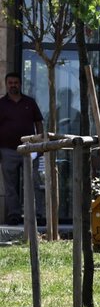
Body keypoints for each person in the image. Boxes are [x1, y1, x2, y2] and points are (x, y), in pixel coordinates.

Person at [0, 72, 44, 224]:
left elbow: (39, 123)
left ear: (20, 84)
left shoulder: (29, 102)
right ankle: (14, 215)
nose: (13, 85)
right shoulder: (1, 104)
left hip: (29, 149)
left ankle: (38, 214)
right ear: (6, 84)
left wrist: (40, 144)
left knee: (33, 183)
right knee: (10, 186)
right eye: (10, 82)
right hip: (7, 150)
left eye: (16, 82)